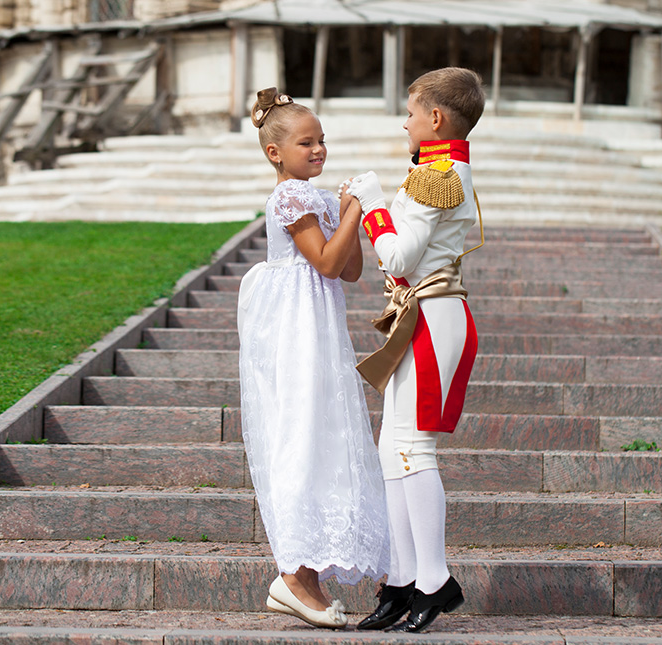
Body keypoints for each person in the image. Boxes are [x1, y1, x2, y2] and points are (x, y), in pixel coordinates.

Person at [236, 87, 390, 629]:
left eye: (322, 140)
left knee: (321, 427)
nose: (319, 149)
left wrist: (348, 216)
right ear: (277, 153)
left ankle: (307, 572)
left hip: (319, 321)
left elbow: (350, 271)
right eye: (306, 142)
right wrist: (349, 210)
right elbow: (324, 262)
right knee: (298, 428)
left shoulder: (317, 197)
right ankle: (293, 574)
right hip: (293, 323)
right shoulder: (288, 198)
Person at [345, 67, 485, 633]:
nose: (403, 122)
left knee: (413, 450)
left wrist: (373, 202)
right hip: (420, 316)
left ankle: (434, 579)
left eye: (409, 113)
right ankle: (405, 579)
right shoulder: (433, 172)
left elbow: (399, 259)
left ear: (435, 119)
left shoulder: (440, 174)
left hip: (435, 317)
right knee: (392, 451)